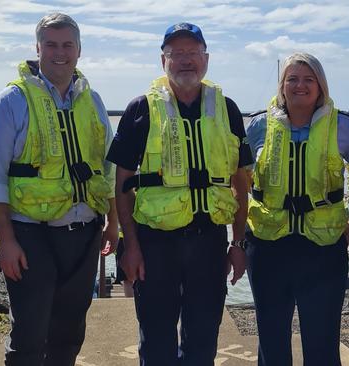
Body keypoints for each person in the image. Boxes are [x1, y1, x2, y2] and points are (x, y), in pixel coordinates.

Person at [0, 12, 118, 365]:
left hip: (84, 233)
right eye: (51, 44)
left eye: (68, 44)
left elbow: (109, 168)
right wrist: (6, 241)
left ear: (79, 51)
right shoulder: (12, 101)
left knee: (69, 332)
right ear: (37, 49)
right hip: (30, 235)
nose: (60, 52)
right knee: (29, 333)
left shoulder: (93, 101)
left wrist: (113, 224)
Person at [109, 22, 253, 365]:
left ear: (206, 59)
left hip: (208, 244)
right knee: (156, 341)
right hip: (154, 245)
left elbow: (240, 183)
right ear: (163, 61)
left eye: (193, 52)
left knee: (202, 341)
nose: (186, 60)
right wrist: (129, 245)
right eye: (177, 54)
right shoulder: (139, 110)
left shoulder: (228, 110)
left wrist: (237, 244)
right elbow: (122, 184)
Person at [245, 52, 349, 366]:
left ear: (320, 86)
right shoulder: (260, 125)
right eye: (292, 79)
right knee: (272, 340)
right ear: (282, 85)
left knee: (321, 343)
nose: (299, 85)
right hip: (267, 245)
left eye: (308, 79)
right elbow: (240, 179)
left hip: (323, 247)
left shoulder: (341, 125)